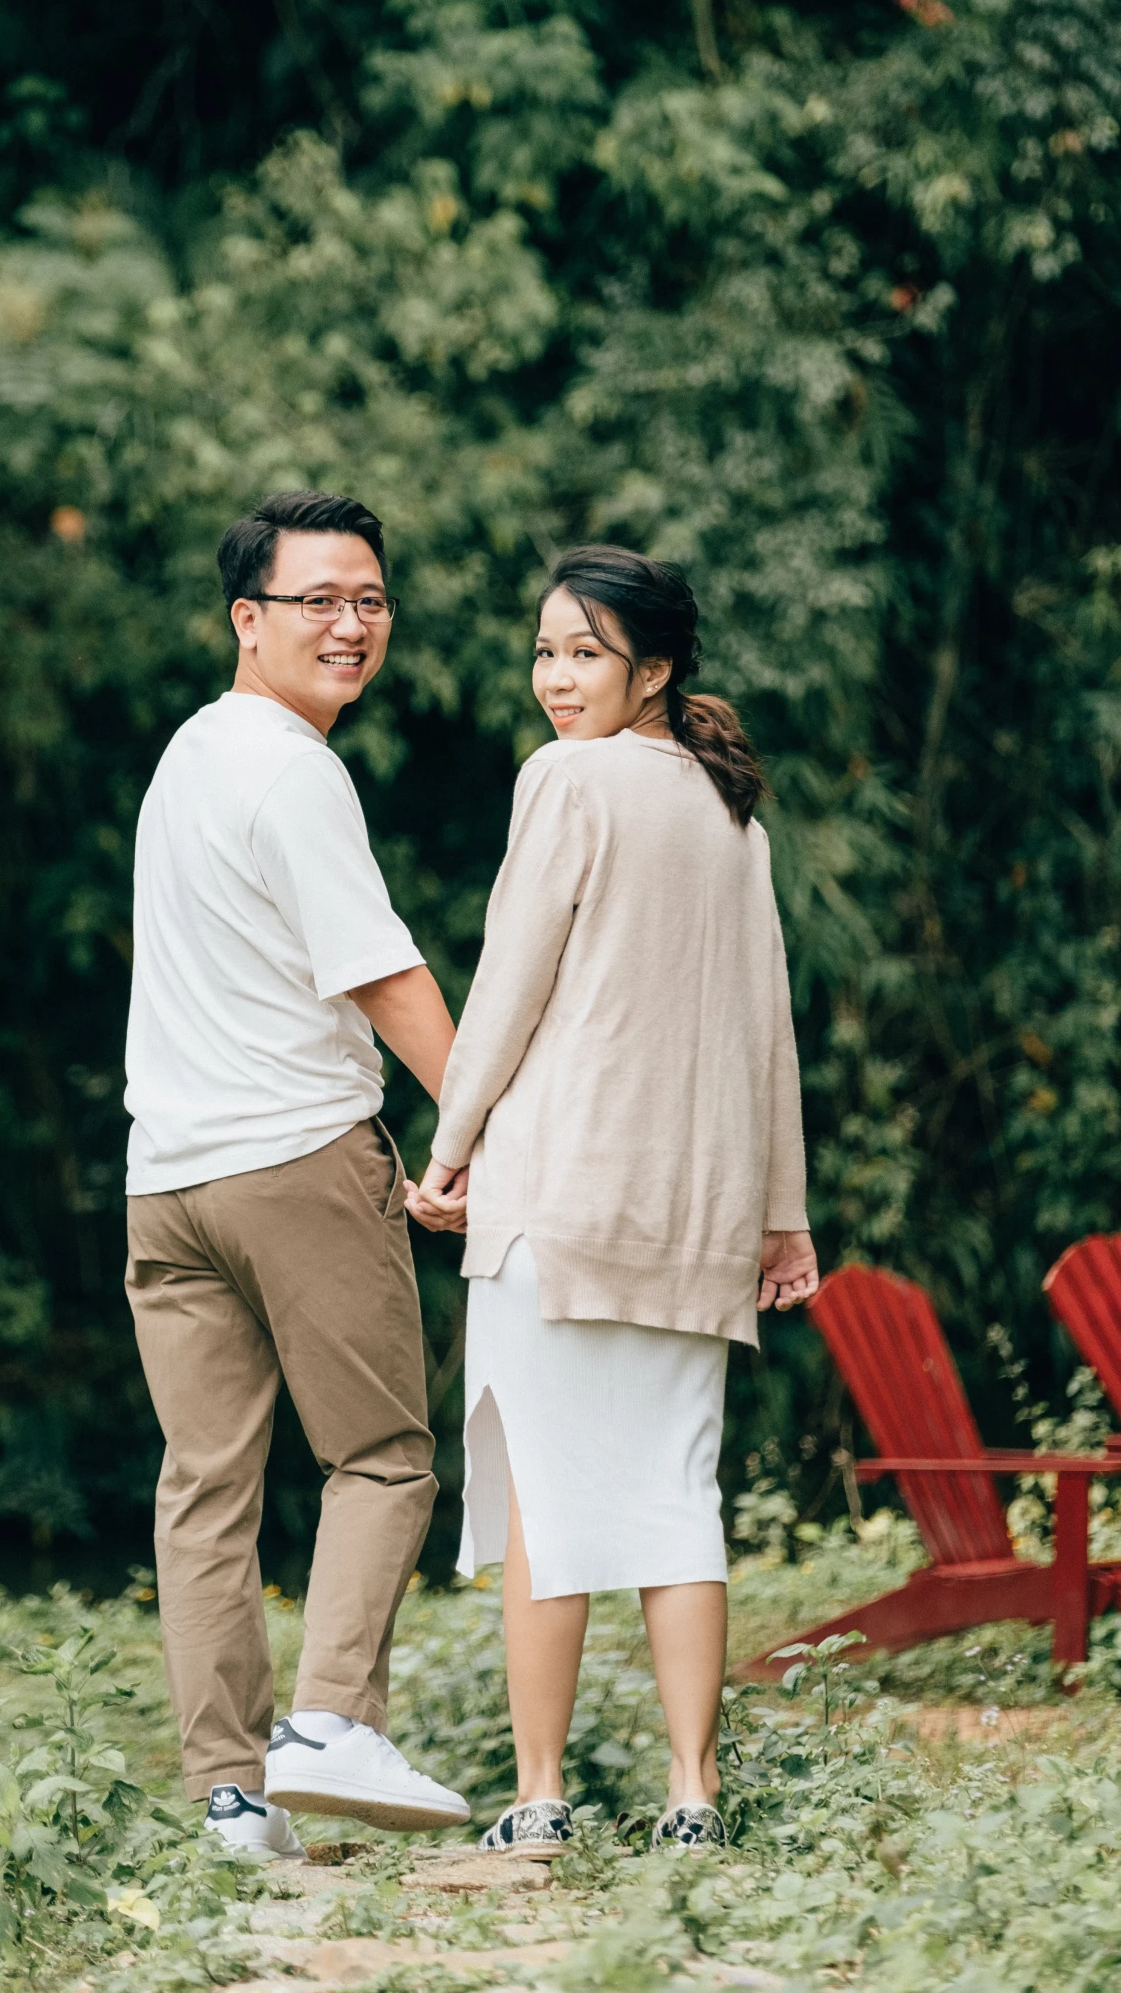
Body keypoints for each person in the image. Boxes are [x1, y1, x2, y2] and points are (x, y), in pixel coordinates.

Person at [408, 545, 820, 1858]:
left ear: (651, 668)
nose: (552, 678)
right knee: (673, 1499)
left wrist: (448, 1143)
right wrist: (778, 1211)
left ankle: (537, 1799)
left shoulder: (566, 781)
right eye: (544, 650)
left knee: (546, 1494)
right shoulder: (728, 810)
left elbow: (509, 985)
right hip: (693, 1217)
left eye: (581, 652)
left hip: (564, 1202)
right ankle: (690, 1796)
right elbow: (768, 1029)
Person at [124, 489, 471, 1860]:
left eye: (369, 598)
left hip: (167, 1180)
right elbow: (383, 973)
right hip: (293, 1160)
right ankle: (329, 1722)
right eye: (318, 598)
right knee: (381, 1456)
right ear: (245, 618)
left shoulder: (189, 755)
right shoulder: (290, 767)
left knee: (204, 1484)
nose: (350, 622)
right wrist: (490, 1130)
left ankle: (229, 1795)